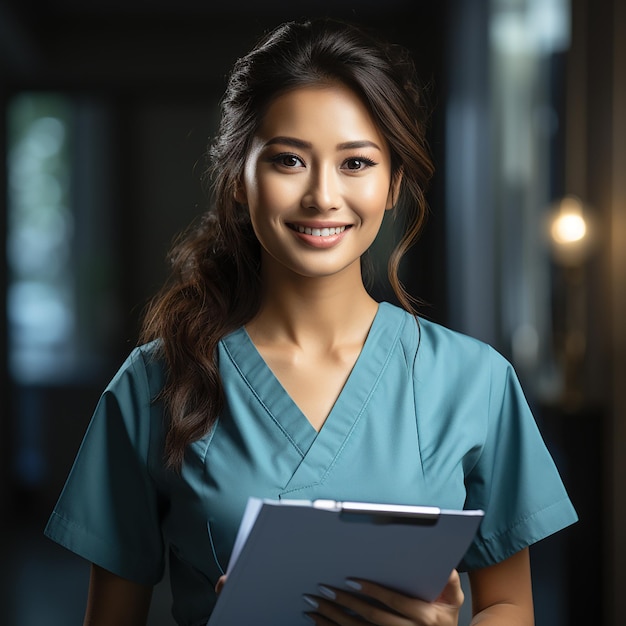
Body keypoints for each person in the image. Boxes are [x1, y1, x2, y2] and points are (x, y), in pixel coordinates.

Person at [45, 17, 577, 626]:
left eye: (356, 164)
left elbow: (511, 605)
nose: (323, 196)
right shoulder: (155, 382)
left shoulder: (474, 381)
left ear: (394, 184)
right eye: (290, 161)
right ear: (240, 182)